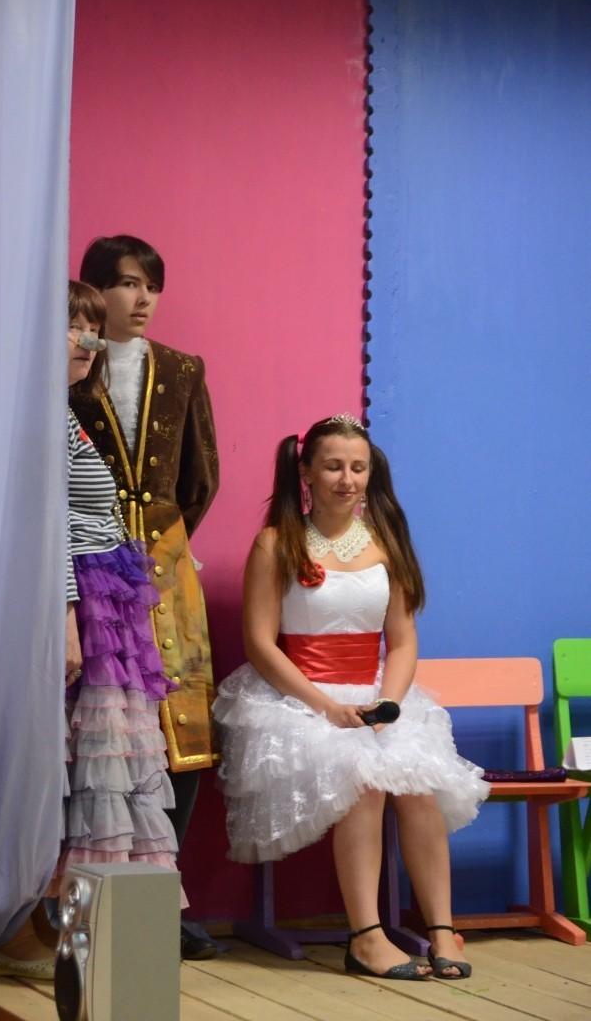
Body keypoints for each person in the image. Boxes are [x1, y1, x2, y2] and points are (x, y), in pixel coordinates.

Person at [213, 413, 488, 981]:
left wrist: (388, 706)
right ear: (306, 473)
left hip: (377, 696)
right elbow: (260, 644)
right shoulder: (276, 543)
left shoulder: (386, 545)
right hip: (297, 700)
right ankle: (366, 936)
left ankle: (441, 928)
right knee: (363, 779)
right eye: (334, 466)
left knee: (416, 783)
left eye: (358, 468)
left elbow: (403, 640)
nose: (347, 479)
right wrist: (328, 707)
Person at [0, 282, 179, 980]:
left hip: (104, 608)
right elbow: (46, 525)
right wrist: (67, 619)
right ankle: (20, 929)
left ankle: (80, 932)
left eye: (93, 328)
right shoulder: (34, 417)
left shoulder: (63, 413)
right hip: (78, 609)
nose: (89, 341)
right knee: (64, 769)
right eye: (74, 327)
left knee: (101, 771)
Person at [71, 236, 219, 959]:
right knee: (94, 736)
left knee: (181, 733)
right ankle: (85, 899)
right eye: (128, 284)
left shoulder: (184, 370)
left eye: (151, 286)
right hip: (88, 570)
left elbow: (202, 476)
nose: (142, 299)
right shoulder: (71, 365)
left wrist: (164, 552)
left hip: (164, 570)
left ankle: (161, 897)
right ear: (96, 290)